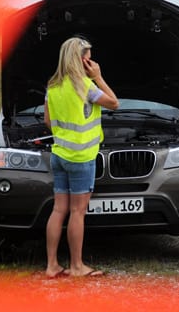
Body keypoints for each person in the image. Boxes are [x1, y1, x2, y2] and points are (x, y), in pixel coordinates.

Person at [44, 36, 119, 278]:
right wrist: (98, 76)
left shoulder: (53, 86)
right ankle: (76, 267)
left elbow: (48, 121)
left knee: (58, 210)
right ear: (78, 58)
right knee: (78, 212)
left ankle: (52, 266)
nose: (90, 59)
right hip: (81, 157)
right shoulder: (85, 86)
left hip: (59, 155)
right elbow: (115, 103)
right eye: (87, 54)